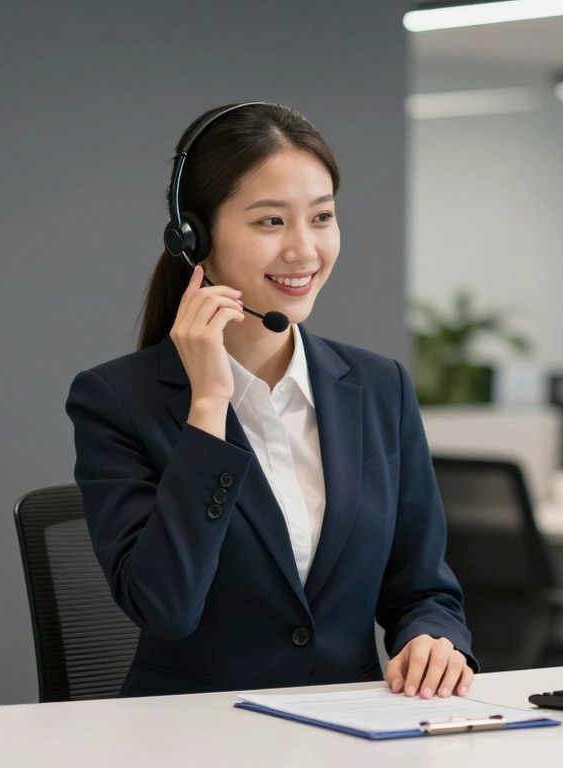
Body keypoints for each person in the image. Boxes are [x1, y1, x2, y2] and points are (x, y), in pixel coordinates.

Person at [66, 102, 474, 699]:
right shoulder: (118, 401)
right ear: (193, 238)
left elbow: (425, 589)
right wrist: (207, 406)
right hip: (192, 736)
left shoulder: (379, 387)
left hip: (352, 734)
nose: (304, 251)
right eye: (270, 222)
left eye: (322, 217)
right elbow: (166, 608)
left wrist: (435, 637)